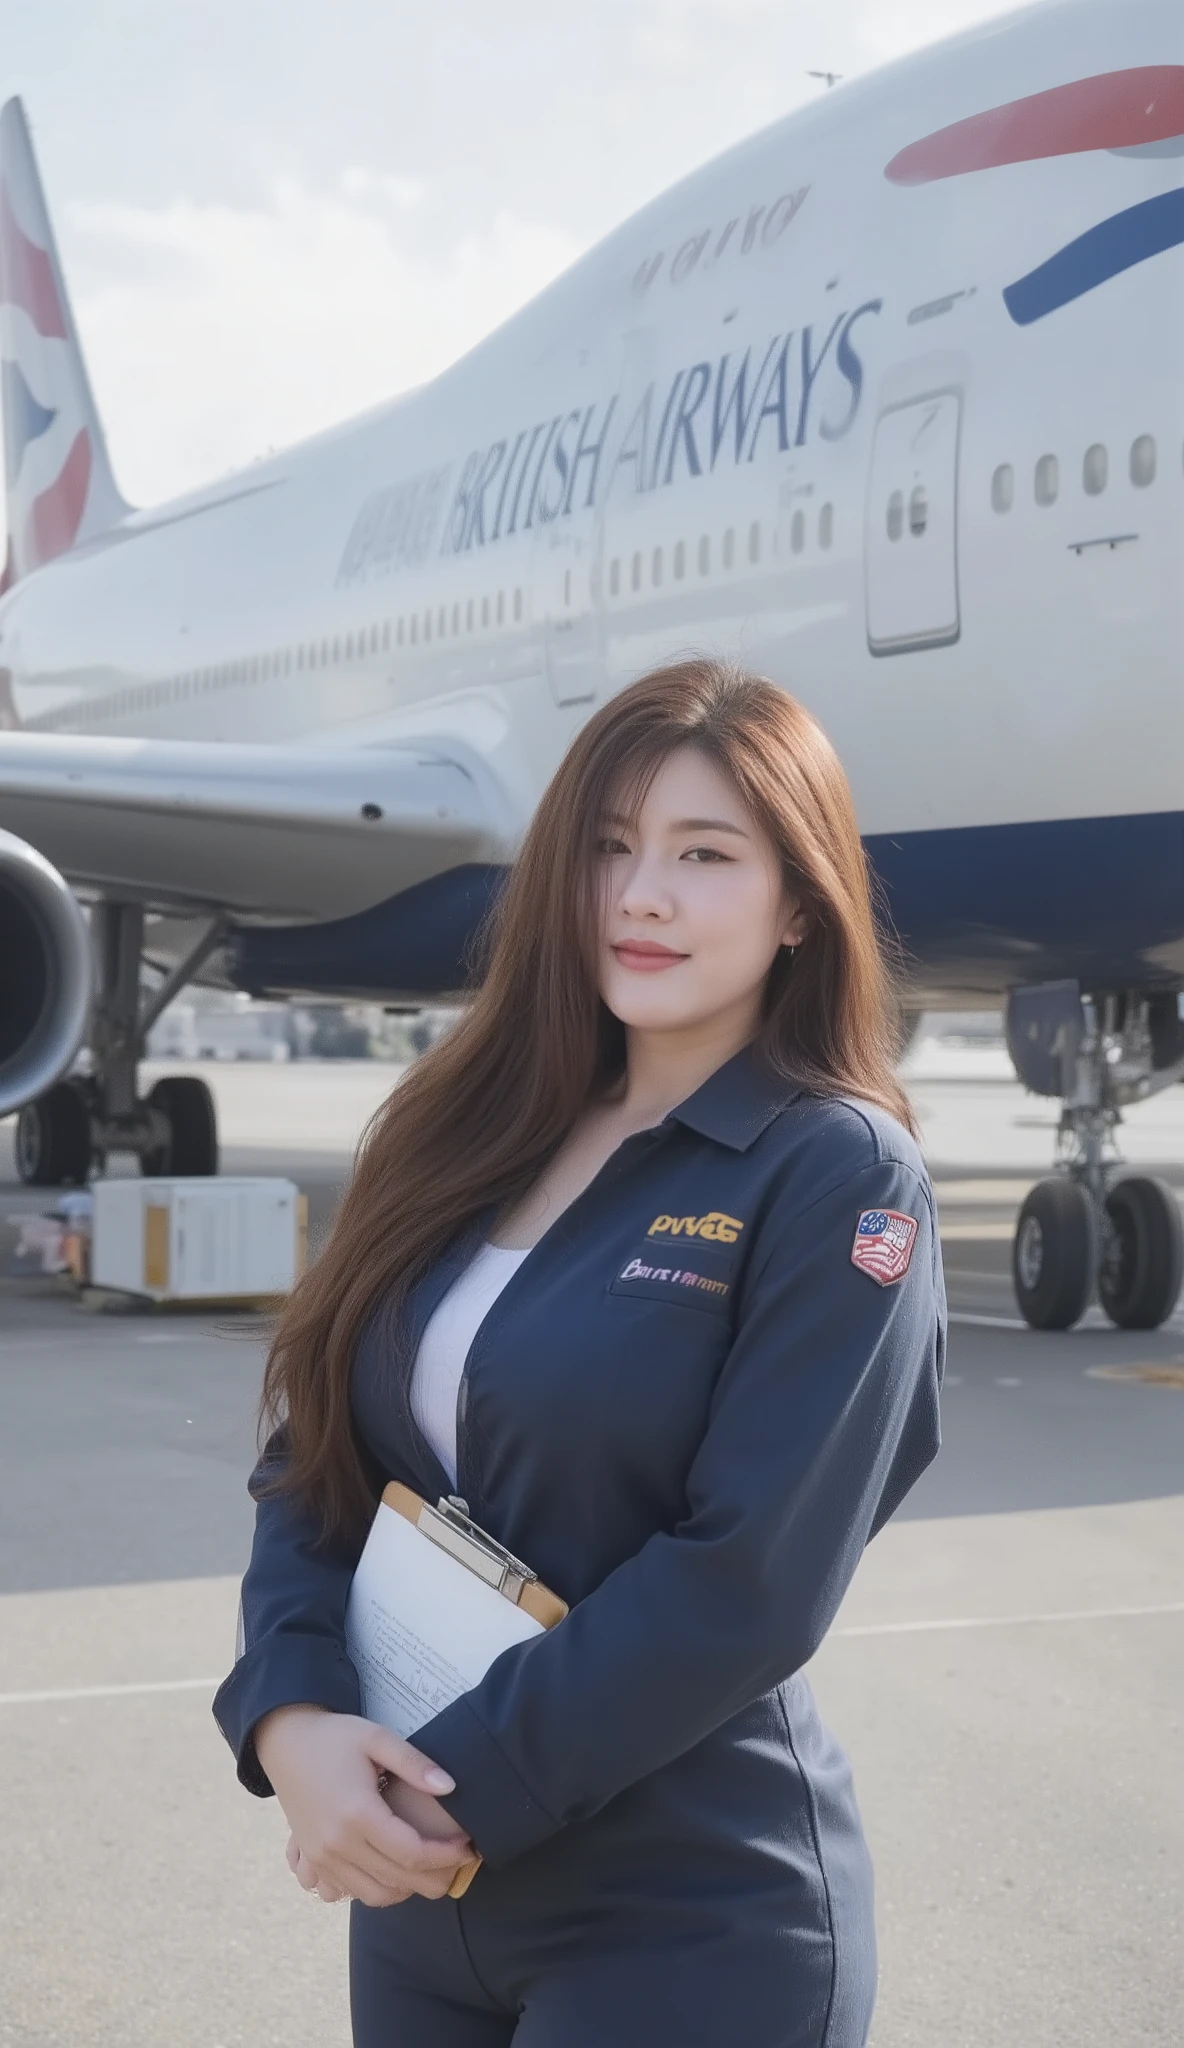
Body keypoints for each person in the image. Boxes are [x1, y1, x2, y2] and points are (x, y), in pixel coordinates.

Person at [212, 657, 946, 2047]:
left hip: (683, 1907)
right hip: (423, 1904)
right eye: (608, 848)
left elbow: (746, 1582)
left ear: (800, 903)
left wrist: (436, 1792)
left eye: (704, 853)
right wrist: (292, 1715)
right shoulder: (459, 1124)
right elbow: (317, 1455)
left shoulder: (836, 1176)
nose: (640, 894)